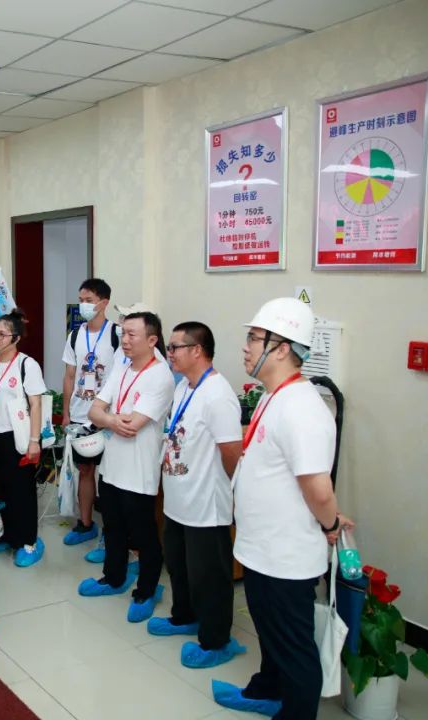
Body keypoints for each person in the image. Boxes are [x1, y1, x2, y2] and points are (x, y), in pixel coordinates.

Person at [213, 298, 354, 719]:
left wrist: (330, 525)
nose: (246, 346)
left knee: (294, 647)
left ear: (281, 348)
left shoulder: (303, 408)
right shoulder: (274, 396)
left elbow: (319, 489)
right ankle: (267, 689)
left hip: (285, 555)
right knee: (270, 633)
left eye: (255, 338)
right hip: (261, 547)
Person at [147, 322, 246, 669]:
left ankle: (217, 641)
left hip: (205, 503)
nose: (169, 353)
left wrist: (232, 492)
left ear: (197, 350)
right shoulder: (184, 387)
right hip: (178, 500)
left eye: (175, 347)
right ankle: (184, 616)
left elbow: (231, 452)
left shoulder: (218, 395)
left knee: (210, 575)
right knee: (178, 564)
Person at [81, 310, 173, 625]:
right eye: (123, 333)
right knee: (113, 526)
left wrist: (109, 418)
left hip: (139, 469)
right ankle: (114, 577)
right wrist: (111, 419)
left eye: (132, 334)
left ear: (152, 339)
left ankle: (147, 589)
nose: (125, 339)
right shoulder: (122, 367)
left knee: (143, 533)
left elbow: (132, 425)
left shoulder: (160, 375)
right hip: (112, 464)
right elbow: (94, 411)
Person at [0, 310, 47, 568]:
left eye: (2, 334)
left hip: (17, 436)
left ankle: (28, 541)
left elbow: (36, 405)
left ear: (15, 338)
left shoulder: (27, 365)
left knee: (21, 491)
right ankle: (4, 536)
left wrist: (34, 440)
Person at [61, 278, 120, 547]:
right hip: (80, 415)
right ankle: (85, 524)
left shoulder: (117, 334)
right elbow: (69, 376)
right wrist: (66, 413)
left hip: (108, 417)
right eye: (81, 300)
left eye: (89, 300)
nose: (83, 305)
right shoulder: (74, 336)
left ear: (103, 303)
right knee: (84, 470)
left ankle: (112, 533)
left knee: (109, 477)